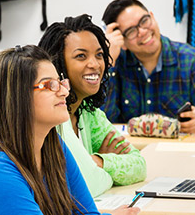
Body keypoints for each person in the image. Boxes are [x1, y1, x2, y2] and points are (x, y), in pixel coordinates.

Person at [0, 45, 138, 215]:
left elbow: (87, 213)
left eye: (61, 82)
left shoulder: (54, 145)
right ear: (17, 97)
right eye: (50, 85)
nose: (64, 92)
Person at [39, 15, 146, 197]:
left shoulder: (89, 113)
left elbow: (139, 166)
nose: (95, 64)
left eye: (99, 55)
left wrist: (98, 161)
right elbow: (88, 184)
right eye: (81, 56)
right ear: (58, 64)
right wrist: (96, 171)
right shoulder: (51, 115)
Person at [101, 0, 195, 133]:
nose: (143, 31)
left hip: (179, 150)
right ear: (123, 42)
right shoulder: (115, 66)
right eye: (131, 31)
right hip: (130, 150)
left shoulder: (190, 59)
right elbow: (100, 121)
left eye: (144, 21)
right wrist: (108, 62)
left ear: (153, 17)